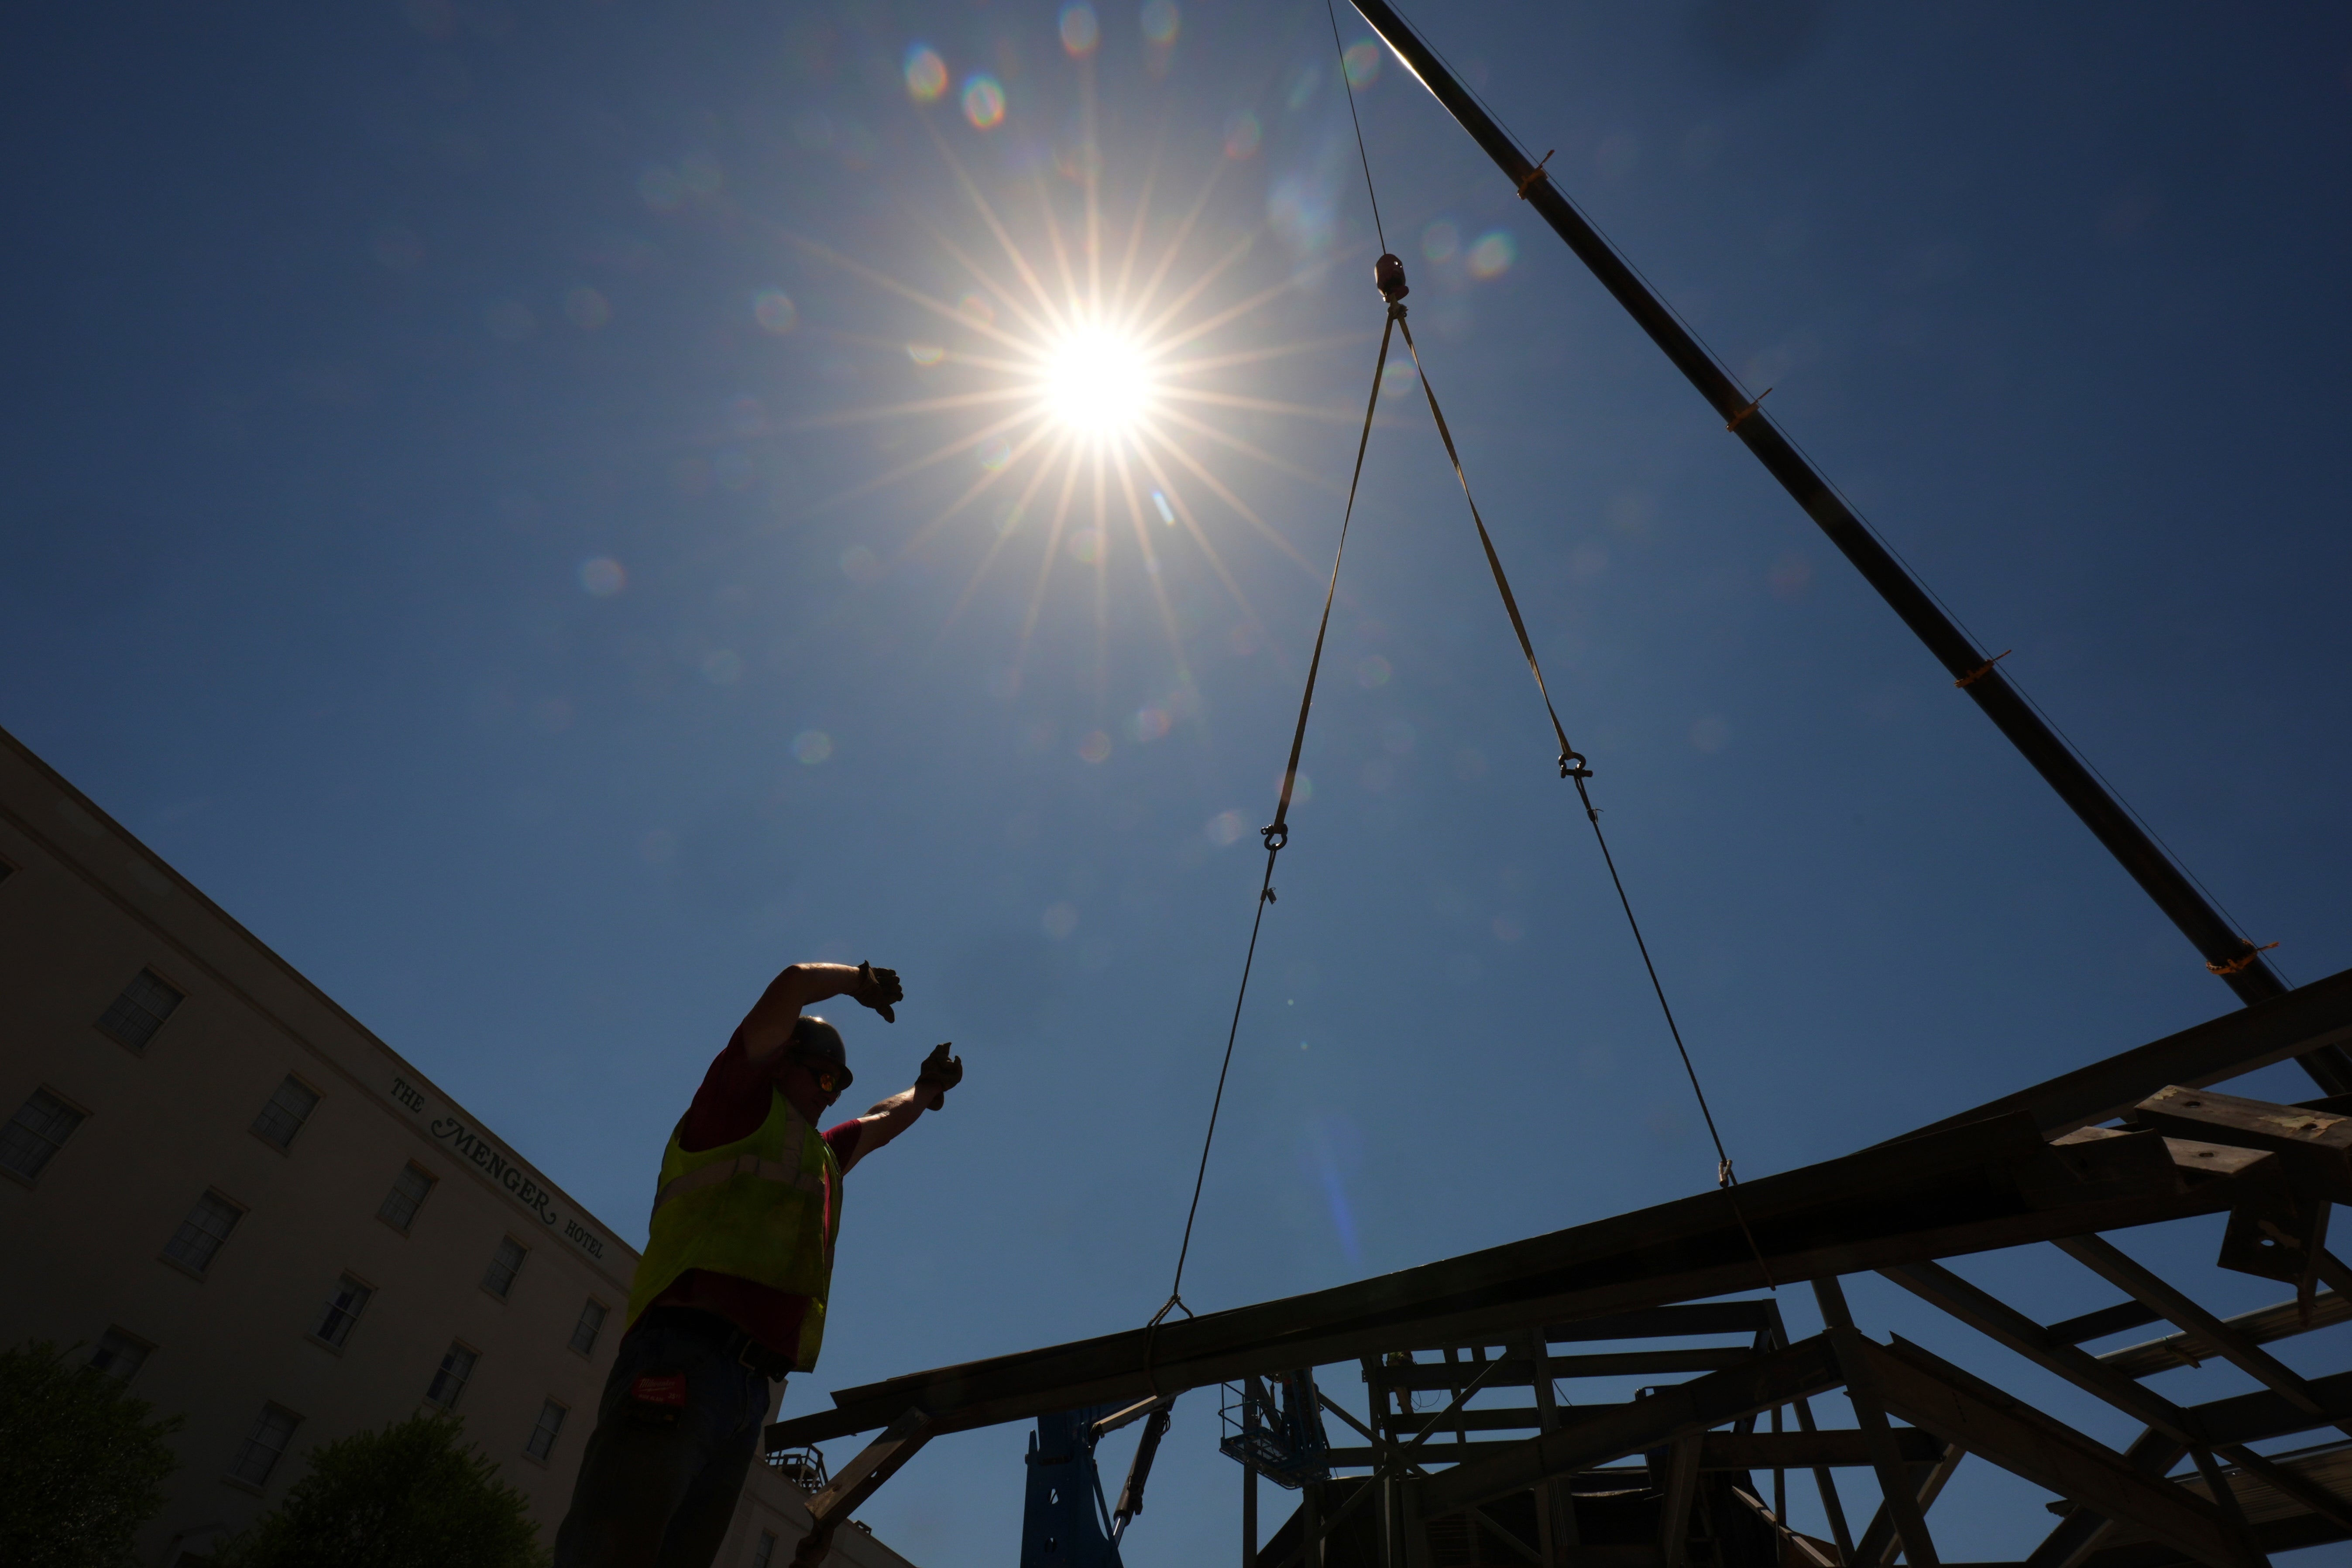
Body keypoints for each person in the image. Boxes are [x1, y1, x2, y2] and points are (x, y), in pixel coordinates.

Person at [553, 959, 962, 1568]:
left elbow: (880, 1121)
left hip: (748, 1390)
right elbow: (793, 982)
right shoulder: (735, 1107)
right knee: (614, 1550)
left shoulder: (817, 1155)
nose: (831, 1095)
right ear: (778, 1063)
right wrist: (857, 980)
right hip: (683, 1357)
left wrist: (926, 1089)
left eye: (838, 1086)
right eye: (822, 1077)